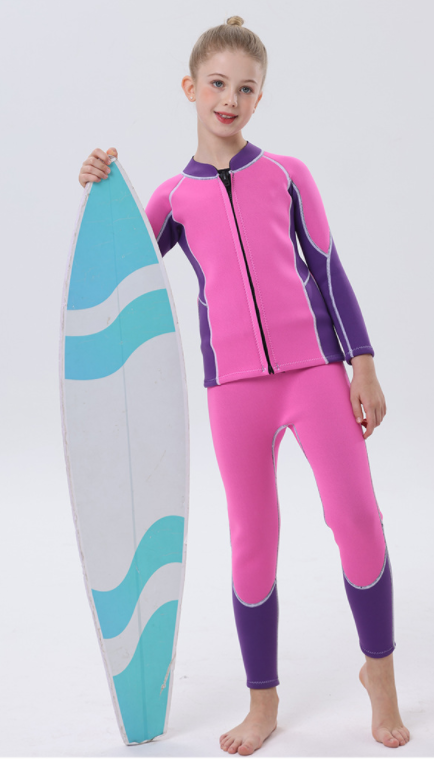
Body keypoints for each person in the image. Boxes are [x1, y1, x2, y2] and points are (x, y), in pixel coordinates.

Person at [78, 15, 410, 756]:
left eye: (246, 88)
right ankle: (264, 702)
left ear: (261, 97)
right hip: (233, 390)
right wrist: (101, 187)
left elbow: (327, 266)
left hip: (315, 373)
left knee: (357, 517)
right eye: (218, 84)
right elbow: (123, 260)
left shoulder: (288, 174)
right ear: (191, 88)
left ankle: (380, 678)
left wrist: (362, 362)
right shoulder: (172, 198)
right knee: (252, 541)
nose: (230, 99)